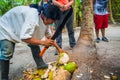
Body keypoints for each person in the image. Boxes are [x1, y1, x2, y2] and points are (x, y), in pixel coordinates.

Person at [0, 5, 64, 80]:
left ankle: (41, 65)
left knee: (35, 41)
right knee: (7, 52)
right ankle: (4, 77)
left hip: (18, 29)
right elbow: (25, 38)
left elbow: (50, 37)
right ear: (45, 16)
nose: (53, 22)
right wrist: (43, 42)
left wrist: (59, 49)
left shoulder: (45, 20)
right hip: (6, 28)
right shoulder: (33, 18)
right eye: (53, 20)